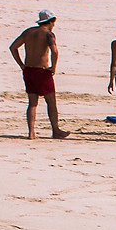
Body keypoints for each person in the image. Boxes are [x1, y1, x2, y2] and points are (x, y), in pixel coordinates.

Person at [10, 9, 67, 140]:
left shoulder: (28, 32)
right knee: (51, 101)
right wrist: (53, 67)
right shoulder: (48, 34)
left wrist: (21, 65)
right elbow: (55, 51)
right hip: (42, 71)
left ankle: (31, 132)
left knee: (32, 103)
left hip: (28, 70)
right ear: (52, 21)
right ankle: (56, 130)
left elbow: (13, 47)